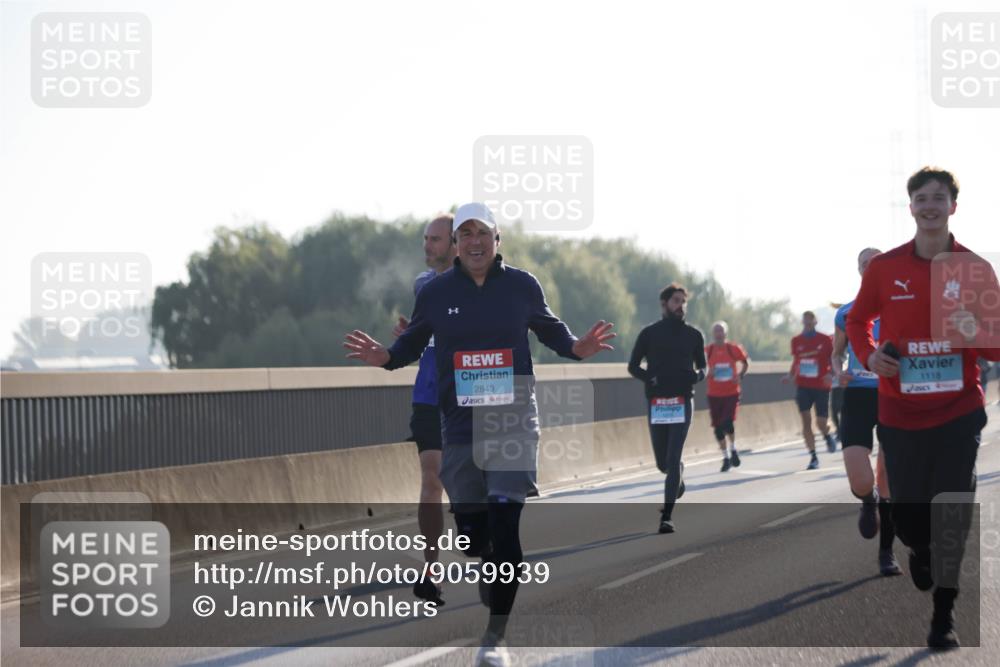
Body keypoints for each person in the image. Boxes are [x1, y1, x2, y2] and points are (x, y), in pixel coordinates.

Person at [344, 202, 615, 666]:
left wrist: (576, 347)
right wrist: (385, 357)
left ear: (497, 239)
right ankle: (486, 554)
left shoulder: (522, 286)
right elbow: (410, 345)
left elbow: (550, 330)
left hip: (512, 418)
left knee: (507, 524)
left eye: (482, 234)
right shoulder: (435, 292)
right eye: (465, 234)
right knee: (472, 536)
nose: (474, 242)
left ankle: (494, 639)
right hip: (460, 423)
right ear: (456, 244)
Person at [847, 167, 1000, 650]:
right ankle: (919, 547)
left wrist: (973, 332)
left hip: (958, 412)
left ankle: (944, 618)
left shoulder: (974, 269)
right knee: (913, 518)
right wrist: (870, 355)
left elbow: (997, 348)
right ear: (910, 207)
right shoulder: (885, 268)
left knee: (953, 508)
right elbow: (857, 320)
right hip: (899, 415)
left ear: (953, 207)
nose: (930, 205)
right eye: (921, 198)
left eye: (939, 198)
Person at [393, 213, 456, 606]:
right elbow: (421, 335)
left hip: (470, 397)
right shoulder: (423, 285)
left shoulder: (483, 286)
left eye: (435, 239)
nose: (427, 246)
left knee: (470, 485)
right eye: (425, 239)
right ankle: (430, 572)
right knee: (431, 480)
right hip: (429, 394)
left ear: (457, 243)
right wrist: (407, 339)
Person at [832, 247, 901, 576]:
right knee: (861, 478)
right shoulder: (847, 313)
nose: (869, 267)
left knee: (887, 476)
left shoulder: (901, 307)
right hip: (857, 396)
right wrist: (838, 372)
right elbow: (836, 354)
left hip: (893, 396)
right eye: (864, 264)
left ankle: (886, 553)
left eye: (875, 262)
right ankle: (866, 499)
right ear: (859, 270)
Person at [628, 283, 706, 533]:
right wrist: (649, 378)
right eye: (676, 301)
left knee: (673, 458)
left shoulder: (694, 335)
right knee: (663, 463)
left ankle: (667, 516)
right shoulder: (649, 334)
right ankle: (677, 473)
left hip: (683, 401)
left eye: (683, 302)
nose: (681, 306)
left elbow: (704, 367)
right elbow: (633, 366)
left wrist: (697, 376)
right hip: (658, 403)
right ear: (664, 304)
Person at [782, 311, 836, 469]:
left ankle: (827, 435)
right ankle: (813, 457)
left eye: (810, 323)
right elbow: (796, 361)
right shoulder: (796, 340)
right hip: (803, 385)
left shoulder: (825, 340)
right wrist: (790, 376)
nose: (807, 326)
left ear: (815, 323)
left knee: (821, 423)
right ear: (803, 323)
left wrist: (831, 374)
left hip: (821, 386)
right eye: (805, 323)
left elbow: (833, 359)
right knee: (806, 422)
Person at [704, 321, 750, 472]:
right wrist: (706, 373)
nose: (718, 333)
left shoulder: (733, 348)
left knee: (727, 423)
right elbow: (699, 366)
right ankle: (725, 457)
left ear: (725, 333)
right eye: (716, 331)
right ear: (713, 334)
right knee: (718, 429)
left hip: (731, 392)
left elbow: (745, 363)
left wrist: (740, 375)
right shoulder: (708, 350)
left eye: (721, 331)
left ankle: (733, 448)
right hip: (714, 393)